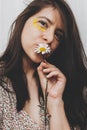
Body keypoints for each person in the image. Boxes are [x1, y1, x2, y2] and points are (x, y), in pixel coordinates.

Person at [0, 0, 87, 130]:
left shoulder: (65, 89)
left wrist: (55, 101)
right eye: (43, 23)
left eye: (58, 35)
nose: (50, 38)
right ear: (23, 21)